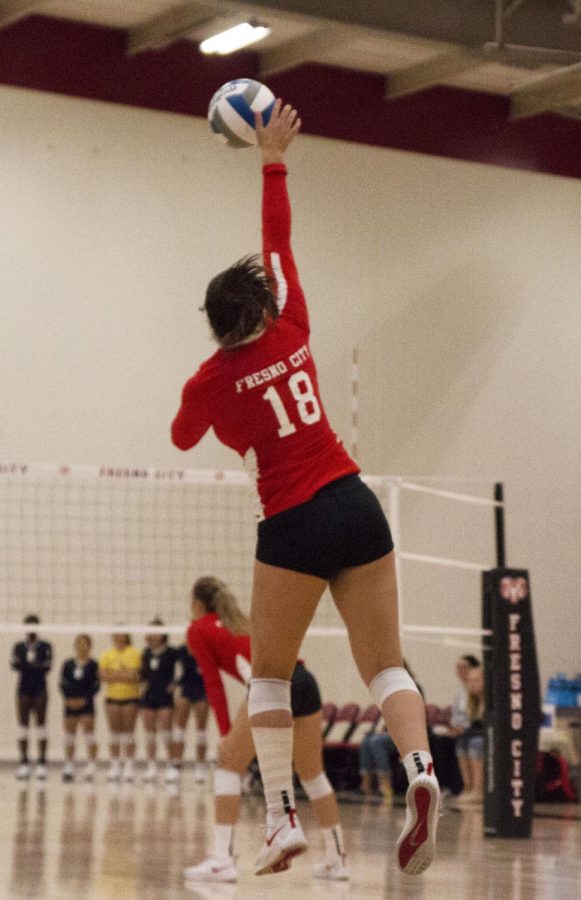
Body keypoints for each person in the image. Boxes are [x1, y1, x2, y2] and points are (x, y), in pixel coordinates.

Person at [171, 101, 440, 877]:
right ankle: (421, 769)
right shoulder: (291, 327)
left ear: (216, 326)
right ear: (258, 311)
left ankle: (282, 819)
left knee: (270, 677)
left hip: (289, 523)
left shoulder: (210, 381)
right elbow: (278, 240)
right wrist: (272, 156)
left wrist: (216, 410)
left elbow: (184, 436)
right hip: (354, 502)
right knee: (386, 665)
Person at [183, 576, 348, 883]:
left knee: (228, 765)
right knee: (312, 773)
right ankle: (336, 860)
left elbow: (213, 685)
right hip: (304, 680)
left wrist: (225, 735)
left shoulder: (198, 629)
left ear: (196, 604)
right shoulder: (241, 623)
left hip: (271, 686)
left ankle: (222, 860)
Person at [11, 614, 53, 781]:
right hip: (23, 688)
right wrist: (33, 665)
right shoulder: (19, 646)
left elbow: (47, 666)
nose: (30, 630)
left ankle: (42, 763)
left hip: (40, 688)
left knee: (41, 725)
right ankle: (24, 763)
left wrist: (27, 665)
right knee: (23, 725)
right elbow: (14, 664)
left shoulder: (45, 646)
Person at [99, 632, 141, 782]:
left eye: (122, 633)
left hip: (131, 697)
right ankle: (115, 765)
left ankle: (129, 765)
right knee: (114, 733)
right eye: (116, 633)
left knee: (129, 733)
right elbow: (103, 676)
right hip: (112, 698)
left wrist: (114, 674)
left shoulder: (134, 653)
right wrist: (123, 674)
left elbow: (133, 676)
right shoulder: (107, 654)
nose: (119, 635)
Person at [140, 618, 178, 782]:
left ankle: (171, 765)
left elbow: (182, 669)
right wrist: (142, 685)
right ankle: (151, 766)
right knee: (150, 732)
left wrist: (175, 684)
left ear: (163, 634)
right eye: (152, 632)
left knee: (166, 732)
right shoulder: (146, 653)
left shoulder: (171, 652)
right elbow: (143, 673)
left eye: (157, 632)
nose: (154, 635)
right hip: (149, 695)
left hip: (165, 696)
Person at [166, 643, 209, 784]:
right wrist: (175, 683)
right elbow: (180, 672)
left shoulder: (206, 647)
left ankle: (200, 767)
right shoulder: (182, 650)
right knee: (178, 729)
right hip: (186, 690)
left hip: (202, 690)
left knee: (201, 731)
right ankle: (176, 765)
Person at [60, 634, 100, 782]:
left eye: (85, 643)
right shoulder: (68, 664)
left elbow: (96, 685)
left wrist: (84, 699)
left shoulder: (93, 665)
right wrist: (68, 699)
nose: (82, 646)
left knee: (89, 734)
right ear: (75, 645)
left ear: (89, 646)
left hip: (86, 703)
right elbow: (62, 683)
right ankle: (69, 765)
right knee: (69, 735)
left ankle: (91, 765)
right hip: (70, 703)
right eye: (79, 643)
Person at [453, 665, 485, 805]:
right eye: (470, 681)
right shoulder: (474, 702)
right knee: (461, 742)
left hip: (490, 738)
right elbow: (473, 725)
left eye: (476, 681)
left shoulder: (491, 702)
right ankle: (468, 787)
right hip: (478, 735)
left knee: (475, 743)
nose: (471, 684)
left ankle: (478, 790)